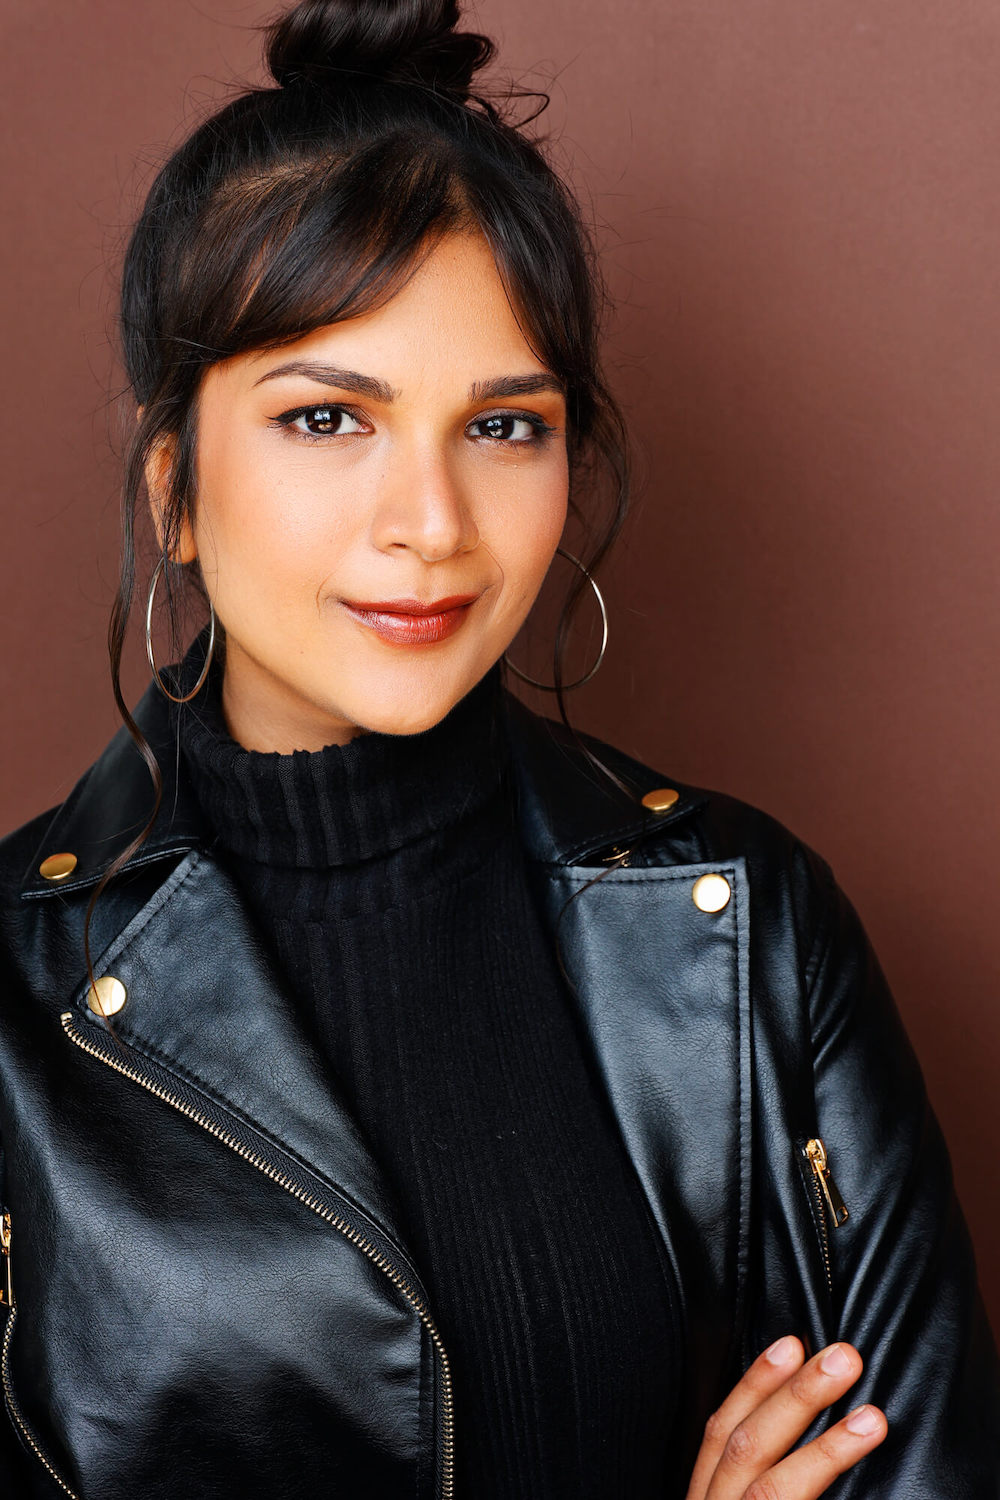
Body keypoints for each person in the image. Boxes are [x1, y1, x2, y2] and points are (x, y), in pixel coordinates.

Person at [0, 0, 997, 1496]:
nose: (433, 525)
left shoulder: (748, 927)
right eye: (329, 419)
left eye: (506, 428)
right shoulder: (14, 993)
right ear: (175, 490)